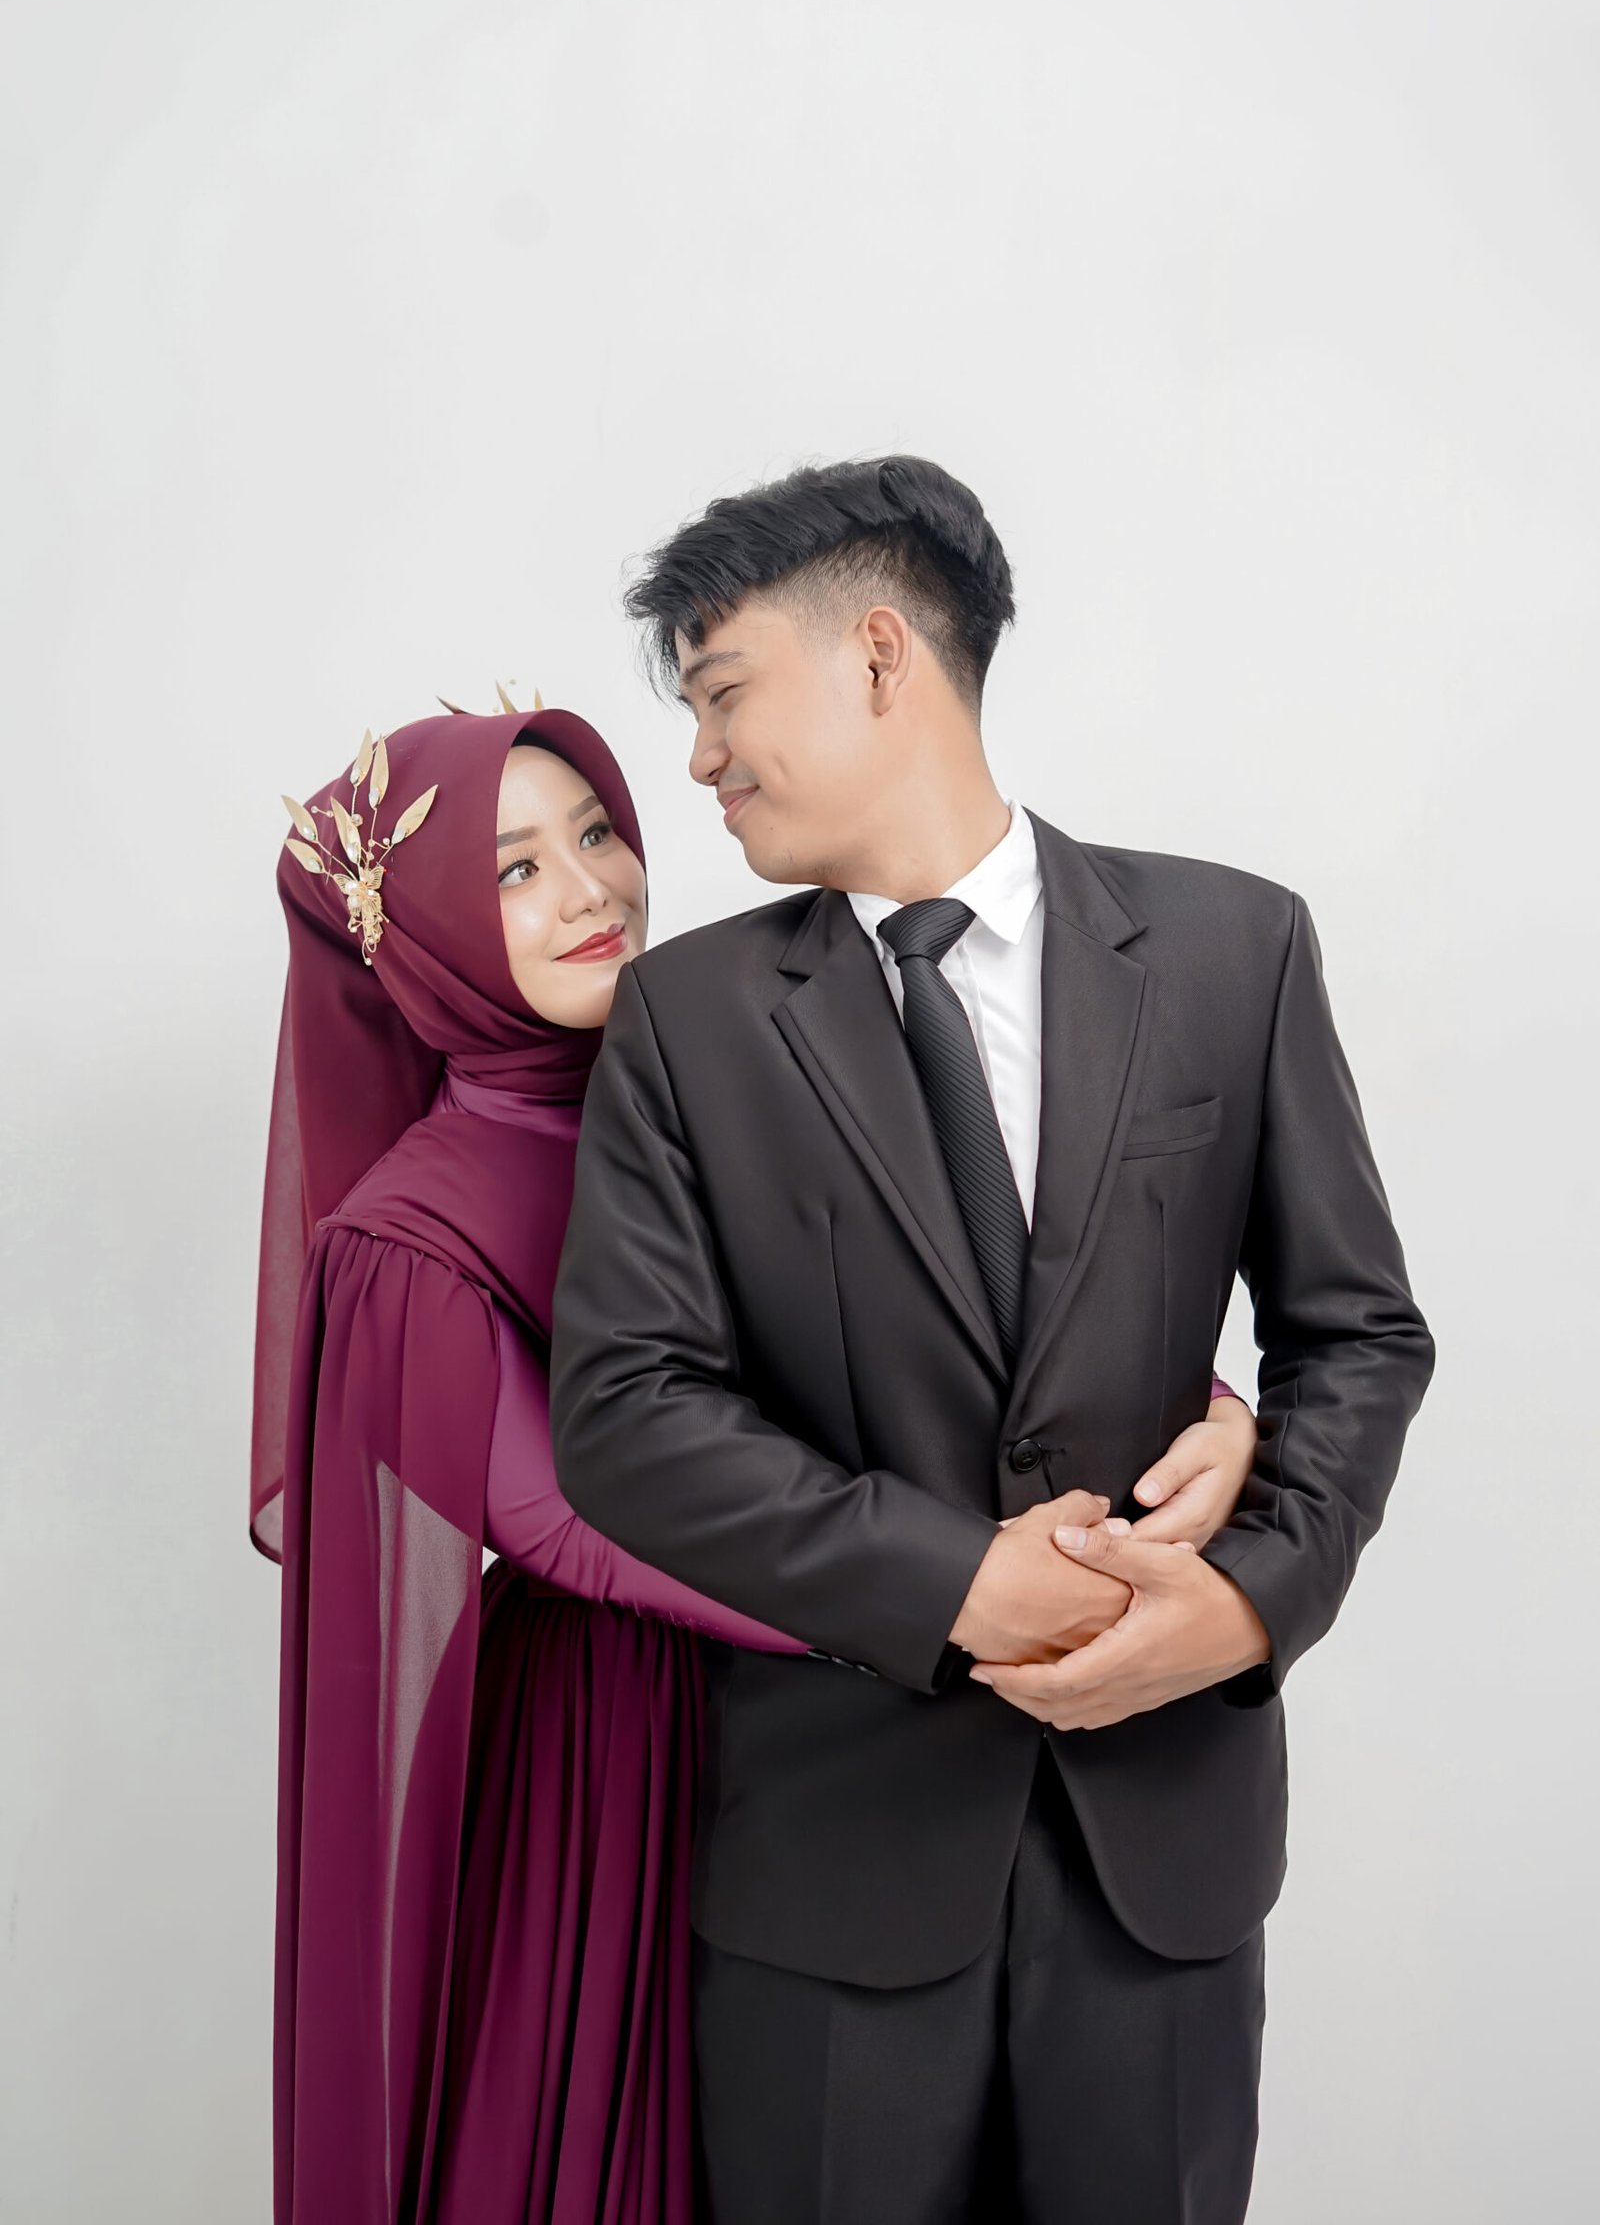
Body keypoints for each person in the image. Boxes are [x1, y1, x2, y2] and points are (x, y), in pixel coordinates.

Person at [548, 457, 1437, 2224]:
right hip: (833, 1867)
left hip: (1165, 1851)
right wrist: (955, 1582)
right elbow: (629, 1412)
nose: (699, 759)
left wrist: (1252, 1601)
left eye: (722, 694)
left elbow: (1357, 1334)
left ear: (880, 654)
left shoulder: (1232, 946)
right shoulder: (688, 1019)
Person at [250, 697, 1258, 2223]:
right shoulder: (405, 1239)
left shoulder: (737, 1065)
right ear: (422, 933)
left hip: (865, 1736)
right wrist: (953, 1600)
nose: (590, 888)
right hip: (627, 1747)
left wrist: (1216, 1411)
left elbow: (986, 1300)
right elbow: (577, 1520)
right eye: (513, 868)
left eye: (596, 832)